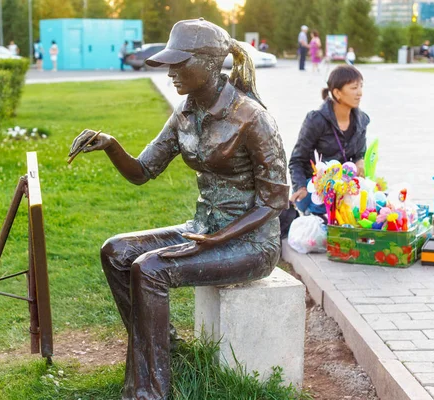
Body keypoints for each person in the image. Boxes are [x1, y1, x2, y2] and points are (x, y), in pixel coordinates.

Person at [69, 18, 289, 400]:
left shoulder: (252, 118)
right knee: (116, 252)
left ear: (208, 63)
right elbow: (142, 172)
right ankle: (165, 352)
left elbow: (274, 201)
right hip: (203, 229)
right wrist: (110, 145)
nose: (171, 72)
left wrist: (218, 238)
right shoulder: (186, 113)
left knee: (150, 269)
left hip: (252, 243)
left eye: (178, 62)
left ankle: (149, 392)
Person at [289, 65, 369, 216]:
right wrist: (300, 187)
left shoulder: (362, 121)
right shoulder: (316, 120)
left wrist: (360, 160)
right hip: (315, 190)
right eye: (354, 88)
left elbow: (360, 153)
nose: (359, 93)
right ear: (337, 93)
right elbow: (297, 160)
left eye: (361, 87)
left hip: (346, 187)